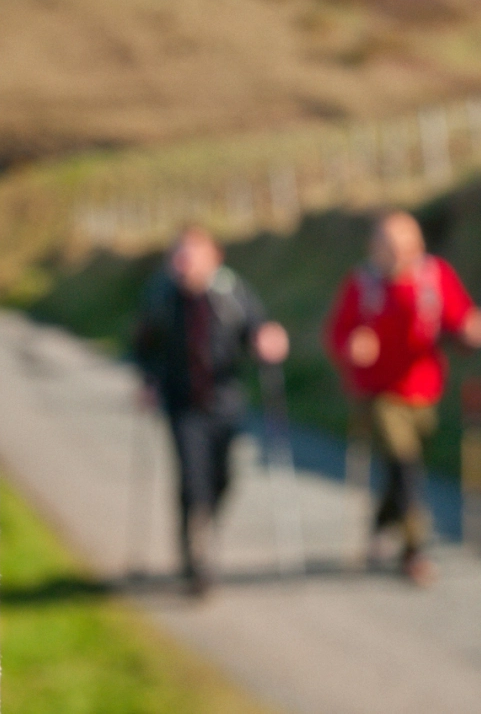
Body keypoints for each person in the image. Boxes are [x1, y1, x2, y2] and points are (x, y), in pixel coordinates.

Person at [326, 210, 481, 585]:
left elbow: (459, 318)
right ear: (374, 248)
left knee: (405, 468)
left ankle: (382, 521)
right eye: (390, 246)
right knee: (404, 464)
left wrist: (469, 330)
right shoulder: (362, 284)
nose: (400, 254)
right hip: (377, 393)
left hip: (424, 391)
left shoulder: (435, 276)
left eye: (407, 246)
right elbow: (337, 333)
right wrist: (353, 346)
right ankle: (414, 551)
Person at [133, 226, 289, 593]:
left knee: (222, 478)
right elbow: (144, 343)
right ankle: (196, 555)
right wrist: (148, 381)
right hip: (182, 402)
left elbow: (257, 329)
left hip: (225, 401)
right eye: (179, 255)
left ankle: (203, 526)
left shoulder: (231, 292)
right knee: (192, 478)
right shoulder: (162, 296)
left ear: (214, 257)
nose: (184, 263)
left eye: (192, 254)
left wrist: (268, 341)